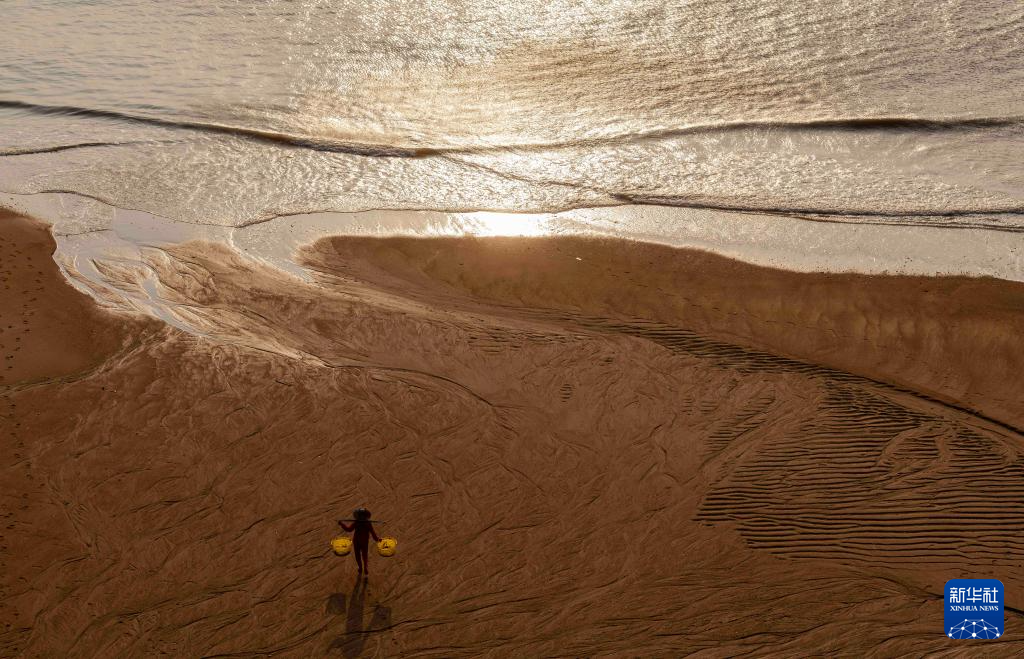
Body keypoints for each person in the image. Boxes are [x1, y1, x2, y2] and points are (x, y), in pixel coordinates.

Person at [338, 507, 380, 576]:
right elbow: (373, 534)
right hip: (364, 542)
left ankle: (361, 568)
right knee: (364, 555)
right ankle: (365, 567)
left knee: (358, 556)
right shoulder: (368, 523)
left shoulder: (357, 522)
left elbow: (349, 529)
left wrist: (342, 524)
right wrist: (378, 540)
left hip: (357, 541)